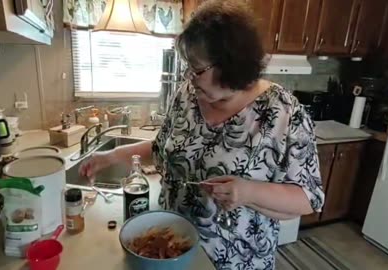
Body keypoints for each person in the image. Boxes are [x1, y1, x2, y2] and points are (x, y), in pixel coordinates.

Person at [79, 0, 324, 269]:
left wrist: (247, 191)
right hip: (171, 248)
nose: (189, 77)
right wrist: (111, 157)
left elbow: (307, 199)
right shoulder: (186, 95)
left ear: (231, 64)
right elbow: (163, 149)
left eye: (196, 69)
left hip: (236, 261)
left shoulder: (285, 113)